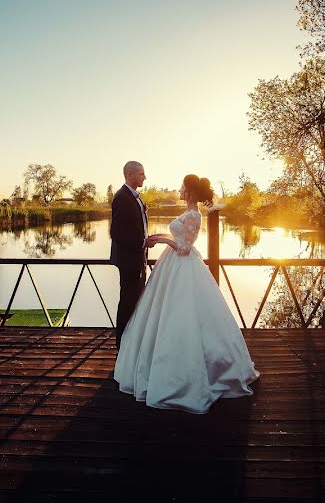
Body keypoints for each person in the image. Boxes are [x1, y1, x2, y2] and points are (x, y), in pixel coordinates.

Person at [114, 174, 260, 414]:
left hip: (182, 265)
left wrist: (161, 238)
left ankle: (193, 373)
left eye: (183, 187)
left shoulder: (194, 215)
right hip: (171, 266)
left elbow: (184, 248)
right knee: (163, 314)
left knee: (185, 313)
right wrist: (164, 238)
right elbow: (180, 241)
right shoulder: (189, 213)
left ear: (190, 192)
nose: (179, 190)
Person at [110, 161, 148, 348]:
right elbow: (116, 233)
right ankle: (122, 346)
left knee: (135, 300)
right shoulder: (122, 197)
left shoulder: (134, 197)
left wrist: (147, 238)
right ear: (130, 175)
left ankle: (131, 343)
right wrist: (143, 242)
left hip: (137, 258)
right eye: (141, 174)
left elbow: (135, 226)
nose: (144, 177)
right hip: (128, 261)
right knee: (127, 302)